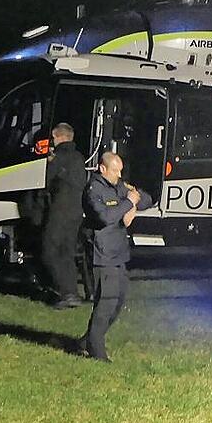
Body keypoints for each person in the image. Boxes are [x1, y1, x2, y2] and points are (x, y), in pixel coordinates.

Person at [80, 151, 152, 361]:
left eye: (120, 171)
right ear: (102, 169)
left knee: (118, 301)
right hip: (102, 254)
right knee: (106, 302)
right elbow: (105, 217)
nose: (119, 175)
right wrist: (129, 203)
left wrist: (134, 198)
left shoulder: (118, 186)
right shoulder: (94, 190)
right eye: (115, 171)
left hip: (118, 253)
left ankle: (87, 342)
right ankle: (96, 351)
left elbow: (144, 199)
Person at [41, 123, 87, 309]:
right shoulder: (78, 157)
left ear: (57, 137)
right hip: (76, 211)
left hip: (60, 210)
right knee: (67, 253)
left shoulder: (59, 157)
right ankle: (72, 292)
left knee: (49, 251)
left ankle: (66, 292)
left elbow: (45, 180)